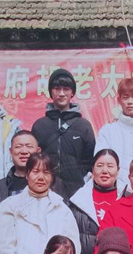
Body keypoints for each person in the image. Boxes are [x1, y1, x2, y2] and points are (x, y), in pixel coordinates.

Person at [0, 152, 82, 254]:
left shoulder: (62, 209)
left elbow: (73, 245)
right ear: (27, 174)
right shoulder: (10, 206)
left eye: (46, 172)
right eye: (35, 172)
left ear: (52, 177)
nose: (41, 177)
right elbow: (3, 244)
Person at [32, 69, 96, 198]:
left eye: (66, 89)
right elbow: (33, 159)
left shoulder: (83, 126)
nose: (61, 93)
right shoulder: (40, 125)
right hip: (44, 190)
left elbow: (90, 160)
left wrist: (79, 177)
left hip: (77, 192)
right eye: (57, 89)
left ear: (72, 93)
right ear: (51, 92)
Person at [66, 150, 122, 254]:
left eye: (110, 166)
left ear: (118, 170)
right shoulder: (77, 201)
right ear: (92, 169)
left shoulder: (127, 198)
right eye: (100, 166)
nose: (104, 171)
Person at [0, 130, 41, 200]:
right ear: (11, 151)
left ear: (38, 151)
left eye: (29, 146)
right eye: (18, 147)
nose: (24, 151)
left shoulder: (53, 184)